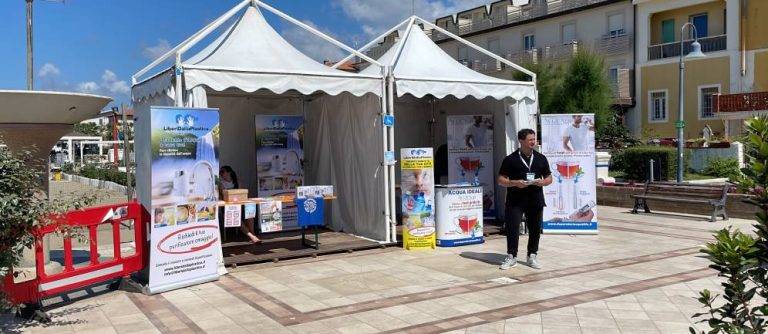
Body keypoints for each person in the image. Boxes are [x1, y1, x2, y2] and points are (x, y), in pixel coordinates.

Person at [497, 129, 553, 270]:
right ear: (521, 141)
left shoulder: (541, 158)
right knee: (512, 228)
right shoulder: (510, 159)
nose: (533, 142)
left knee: (534, 229)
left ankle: (532, 256)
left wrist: (543, 183)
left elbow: (549, 178)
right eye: (530, 140)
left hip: (535, 199)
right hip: (515, 201)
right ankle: (511, 256)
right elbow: (501, 180)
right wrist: (515, 183)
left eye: (534, 139)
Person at [219, 166, 261, 244]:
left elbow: (241, 194)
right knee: (236, 217)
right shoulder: (221, 183)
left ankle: (253, 233)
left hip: (239, 203)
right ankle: (251, 236)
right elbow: (224, 195)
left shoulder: (237, 181)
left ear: (229, 172)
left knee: (250, 209)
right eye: (220, 172)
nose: (221, 173)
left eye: (223, 171)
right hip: (227, 206)